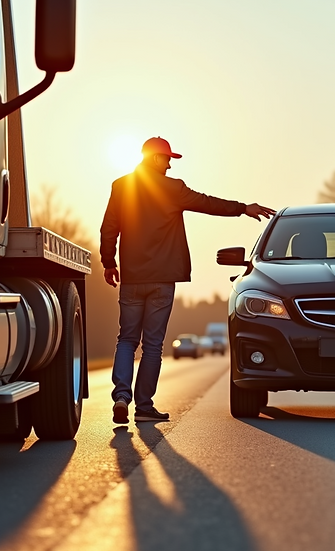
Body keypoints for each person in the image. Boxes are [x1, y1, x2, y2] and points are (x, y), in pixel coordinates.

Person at [100, 137, 275, 423]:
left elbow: (109, 228)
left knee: (127, 339)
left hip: (132, 278)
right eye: (167, 158)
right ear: (155, 158)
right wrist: (244, 208)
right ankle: (143, 407)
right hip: (163, 279)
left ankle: (121, 396)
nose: (169, 164)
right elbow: (208, 204)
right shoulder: (173, 189)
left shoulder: (121, 186)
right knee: (153, 345)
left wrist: (109, 262)